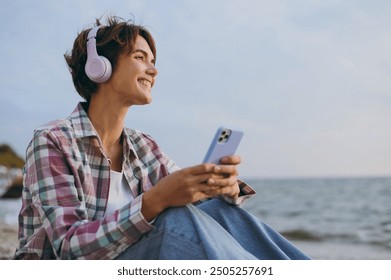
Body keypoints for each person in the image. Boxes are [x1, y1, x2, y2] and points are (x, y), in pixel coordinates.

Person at [14, 15, 310, 260]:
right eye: (140, 57)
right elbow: (68, 248)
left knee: (218, 209)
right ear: (99, 67)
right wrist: (154, 201)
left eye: (153, 60)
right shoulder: (52, 141)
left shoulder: (144, 147)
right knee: (175, 219)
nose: (153, 70)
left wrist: (223, 188)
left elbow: (196, 203)